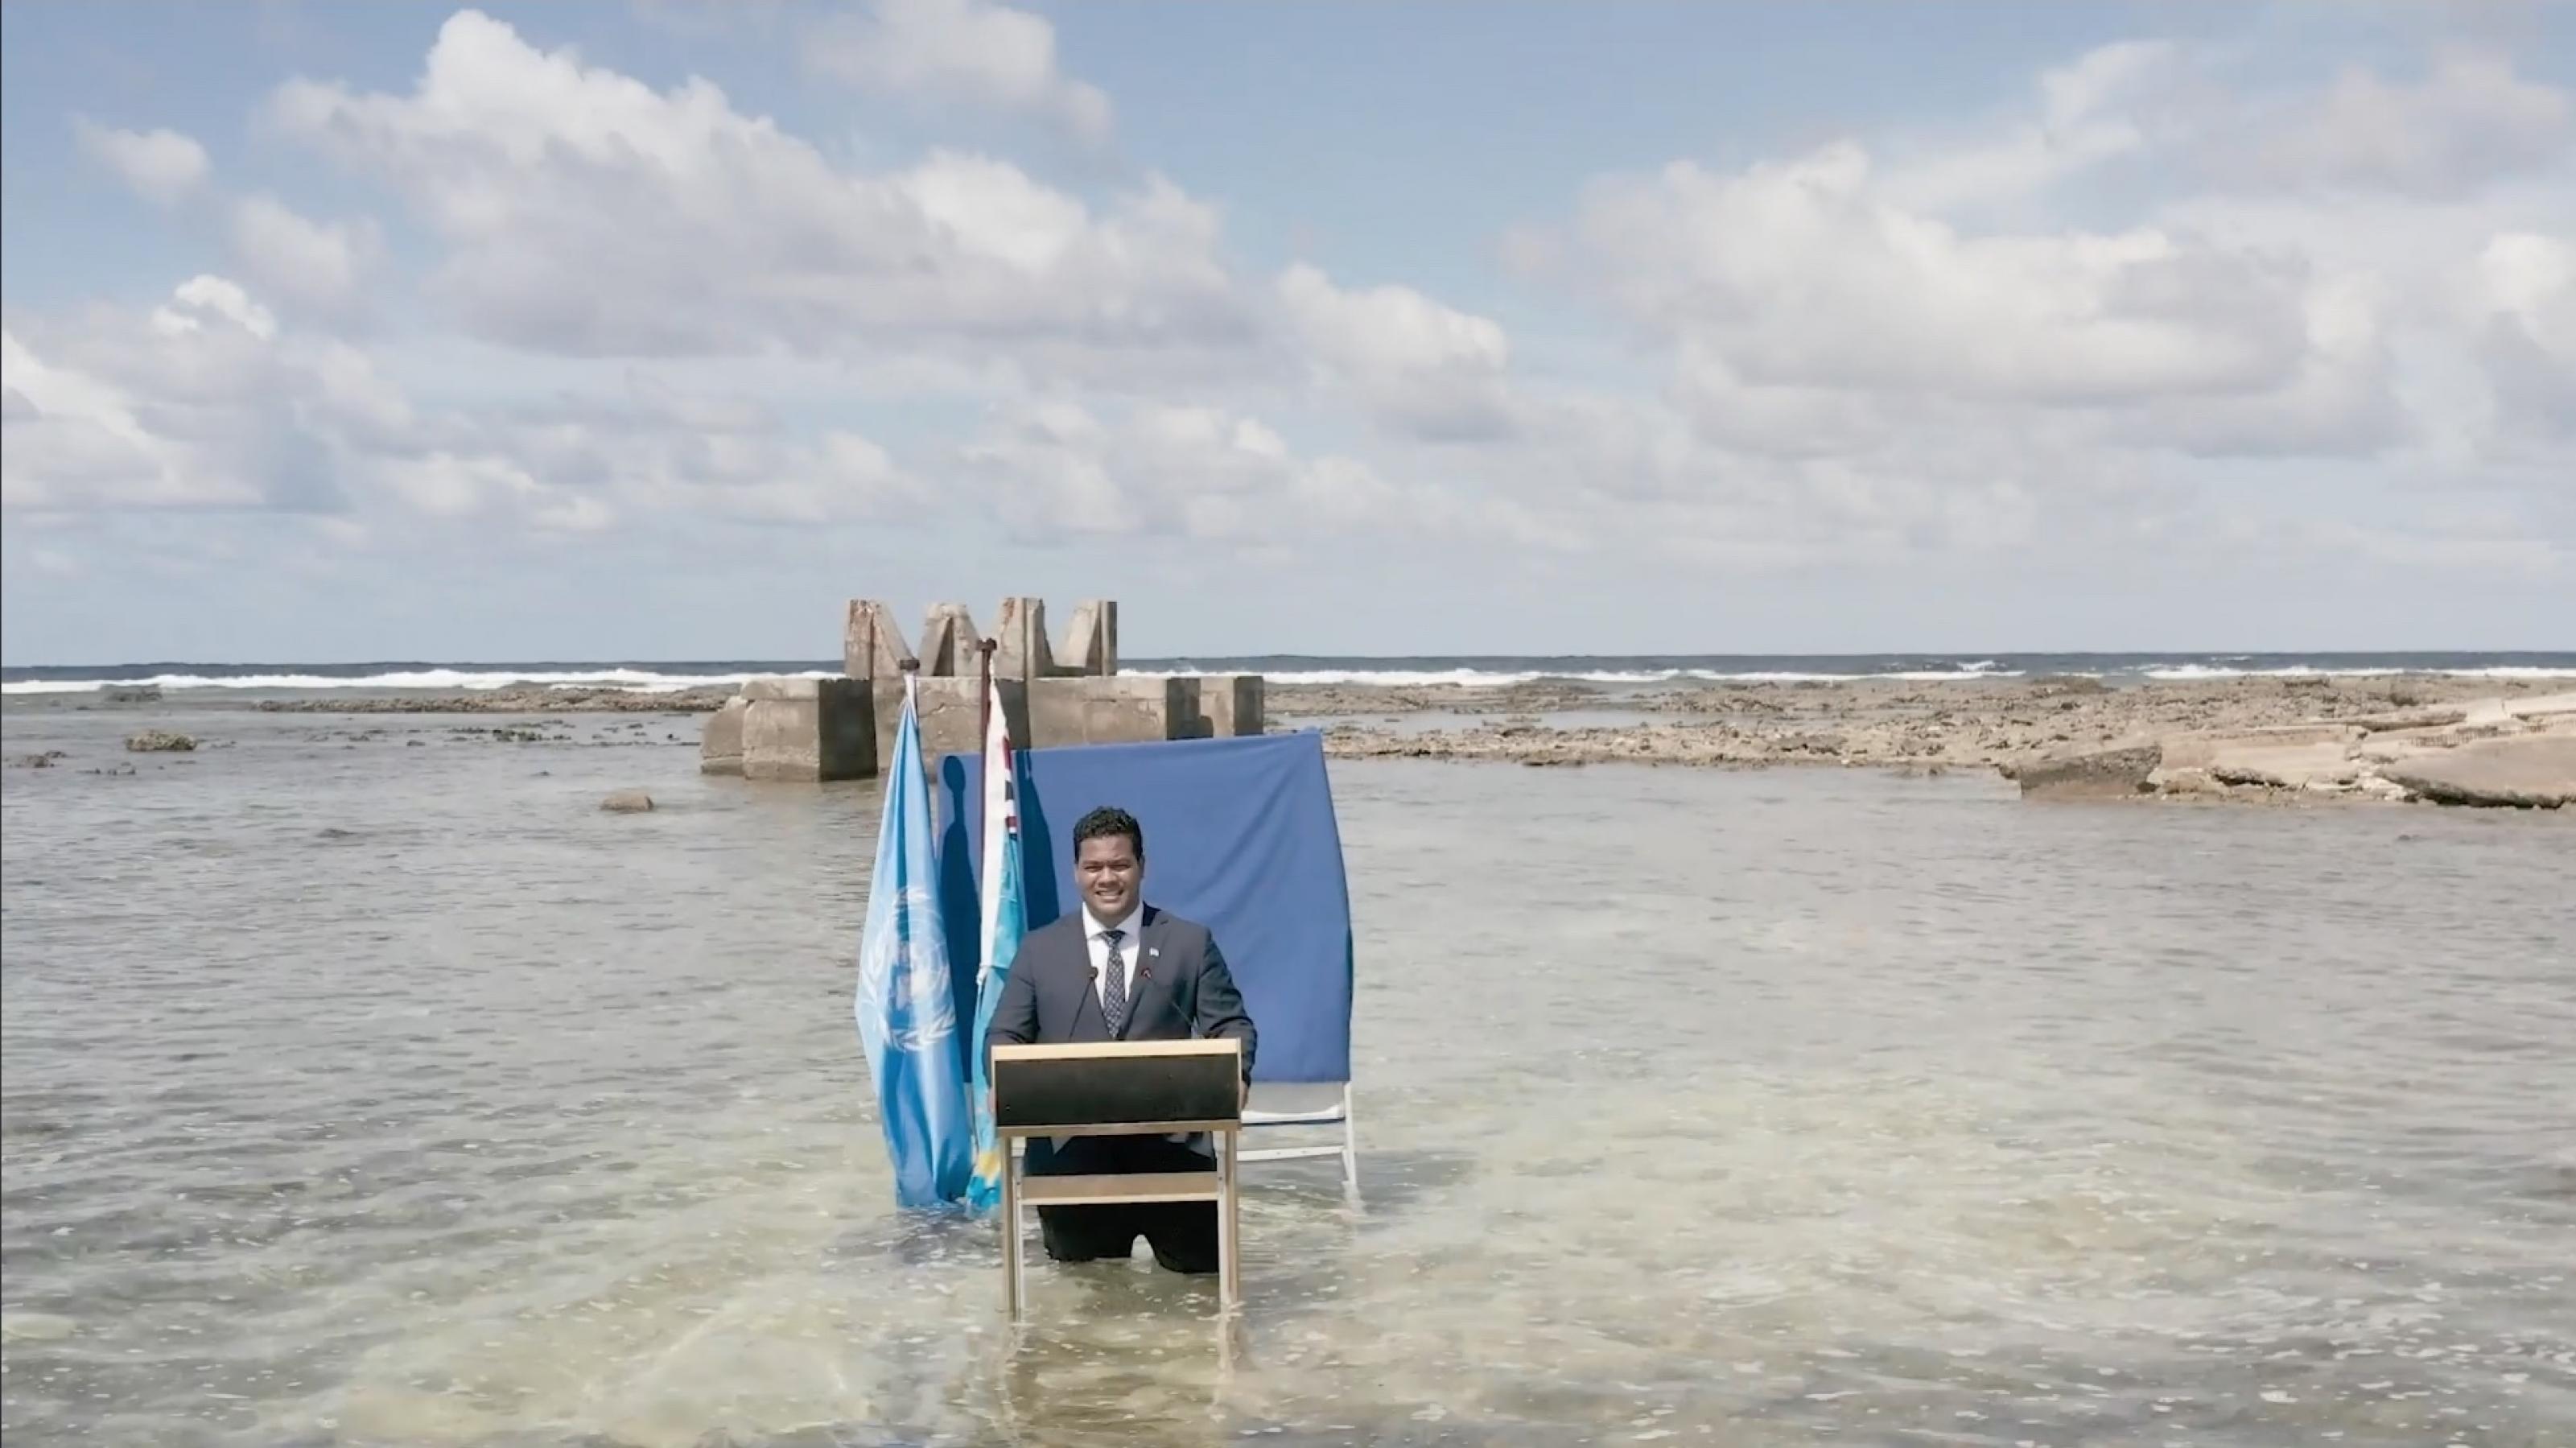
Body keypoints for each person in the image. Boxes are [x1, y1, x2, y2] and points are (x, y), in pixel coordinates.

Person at [982, 804, 1257, 1274]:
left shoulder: (1188, 943)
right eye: (1093, 867)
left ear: (1141, 867)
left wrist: (1237, 1076)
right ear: (1076, 873)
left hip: (1174, 1157)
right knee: (1090, 1309)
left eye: (1119, 865)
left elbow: (1232, 1026)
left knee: (1198, 1304)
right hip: (1072, 1163)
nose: (1106, 878)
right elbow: (1004, 1034)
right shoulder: (1038, 951)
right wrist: (1001, 1082)